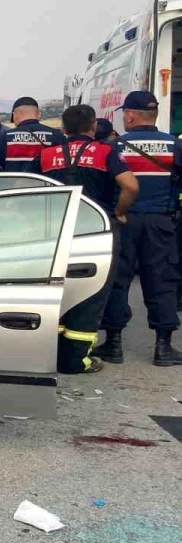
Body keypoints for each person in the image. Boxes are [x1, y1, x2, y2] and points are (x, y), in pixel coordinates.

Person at [39, 104, 139, 374]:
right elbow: (131, 185)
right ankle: (75, 360)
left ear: (63, 128)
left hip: (57, 232)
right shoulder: (106, 151)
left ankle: (51, 353)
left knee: (57, 290)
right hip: (97, 231)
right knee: (92, 293)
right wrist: (119, 212)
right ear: (93, 126)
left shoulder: (48, 154)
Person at [94, 91, 182, 367]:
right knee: (162, 280)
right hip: (161, 222)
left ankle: (114, 343)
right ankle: (163, 347)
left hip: (124, 221)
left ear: (129, 115)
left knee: (118, 280)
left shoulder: (115, 147)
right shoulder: (174, 146)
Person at [0, 96, 63, 173]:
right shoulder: (57, 136)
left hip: (14, 187)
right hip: (47, 187)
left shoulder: (4, 138)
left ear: (15, 115)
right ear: (39, 115)